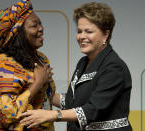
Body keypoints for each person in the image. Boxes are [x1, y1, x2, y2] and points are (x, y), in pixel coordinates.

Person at [19, 2, 133, 131]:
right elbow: (72, 102)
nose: (82, 37)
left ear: (106, 34)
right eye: (79, 31)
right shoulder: (83, 62)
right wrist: (39, 87)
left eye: (88, 31)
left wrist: (51, 115)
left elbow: (92, 109)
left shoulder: (114, 67)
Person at [0, 0, 56, 130]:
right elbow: (7, 115)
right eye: (34, 25)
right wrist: (37, 84)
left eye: (40, 24)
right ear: (18, 32)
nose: (41, 28)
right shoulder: (4, 64)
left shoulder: (41, 58)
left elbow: (46, 100)